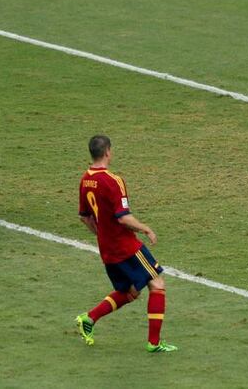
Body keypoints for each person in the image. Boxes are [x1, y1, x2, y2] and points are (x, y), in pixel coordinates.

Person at [75, 135, 177, 353]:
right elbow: (123, 217)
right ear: (108, 152)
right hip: (125, 247)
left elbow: (84, 217)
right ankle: (154, 343)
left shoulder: (85, 179)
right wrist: (145, 228)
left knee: (130, 292)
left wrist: (101, 234)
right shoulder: (113, 180)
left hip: (107, 249)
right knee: (157, 284)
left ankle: (89, 318)